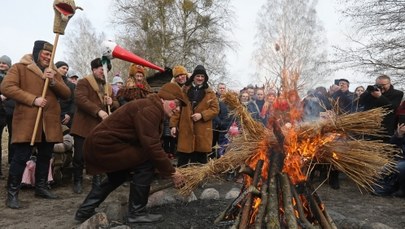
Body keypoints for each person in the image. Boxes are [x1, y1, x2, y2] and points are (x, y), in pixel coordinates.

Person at [74, 83, 186, 224]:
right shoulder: (150, 109)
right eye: (175, 104)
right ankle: (136, 213)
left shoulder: (152, 107)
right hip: (105, 145)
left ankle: (85, 211)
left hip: (103, 144)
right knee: (146, 162)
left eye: (179, 107)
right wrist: (172, 172)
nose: (177, 109)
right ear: (163, 99)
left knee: (117, 175)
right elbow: (151, 146)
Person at [1, 40, 71, 209]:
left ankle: (41, 187)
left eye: (50, 55)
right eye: (45, 54)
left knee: (45, 155)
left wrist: (53, 80)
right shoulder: (20, 67)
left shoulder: (53, 71)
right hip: (28, 121)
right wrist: (33, 99)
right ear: (37, 52)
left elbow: (67, 93)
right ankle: (12, 193)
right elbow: (6, 87)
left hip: (49, 122)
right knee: (21, 157)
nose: (48, 58)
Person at [70, 58, 119, 194]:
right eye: (101, 69)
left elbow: (116, 104)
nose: (103, 72)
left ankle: (96, 181)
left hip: (99, 127)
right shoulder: (84, 82)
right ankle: (77, 181)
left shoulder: (108, 86)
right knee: (79, 156)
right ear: (93, 69)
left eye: (106, 70)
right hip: (83, 125)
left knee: (97, 155)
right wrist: (98, 111)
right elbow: (81, 99)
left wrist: (112, 102)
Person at [170, 65, 219, 167]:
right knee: (183, 161)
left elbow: (215, 110)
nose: (200, 78)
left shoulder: (210, 93)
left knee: (199, 163)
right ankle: (181, 182)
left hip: (202, 131)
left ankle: (198, 183)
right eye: (198, 76)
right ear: (193, 77)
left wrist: (202, 115)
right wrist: (173, 125)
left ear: (205, 78)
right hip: (186, 130)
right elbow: (177, 108)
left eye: (202, 76)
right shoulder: (184, 90)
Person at [359, 74, 404, 140]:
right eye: (378, 85)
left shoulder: (397, 93)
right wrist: (368, 92)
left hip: (385, 128)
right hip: (368, 127)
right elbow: (360, 102)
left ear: (389, 84)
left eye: (383, 85)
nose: (381, 87)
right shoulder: (371, 92)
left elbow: (392, 107)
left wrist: (380, 97)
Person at [212, 83, 232, 158]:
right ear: (217, 89)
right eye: (220, 88)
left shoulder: (229, 100)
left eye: (223, 88)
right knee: (214, 144)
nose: (222, 89)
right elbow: (213, 112)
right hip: (215, 126)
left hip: (226, 127)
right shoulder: (214, 98)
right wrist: (219, 122)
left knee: (222, 145)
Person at [0, 54, 12, 178]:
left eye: (4, 63)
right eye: (0, 63)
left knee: (13, 139)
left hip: (10, 112)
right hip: (2, 112)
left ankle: (11, 161)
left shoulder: (10, 77)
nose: (2, 65)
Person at [55, 61, 76, 128]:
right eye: (63, 68)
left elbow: (74, 101)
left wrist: (69, 114)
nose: (65, 71)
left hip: (65, 117)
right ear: (56, 68)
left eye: (67, 69)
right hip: (51, 114)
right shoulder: (49, 81)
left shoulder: (71, 85)